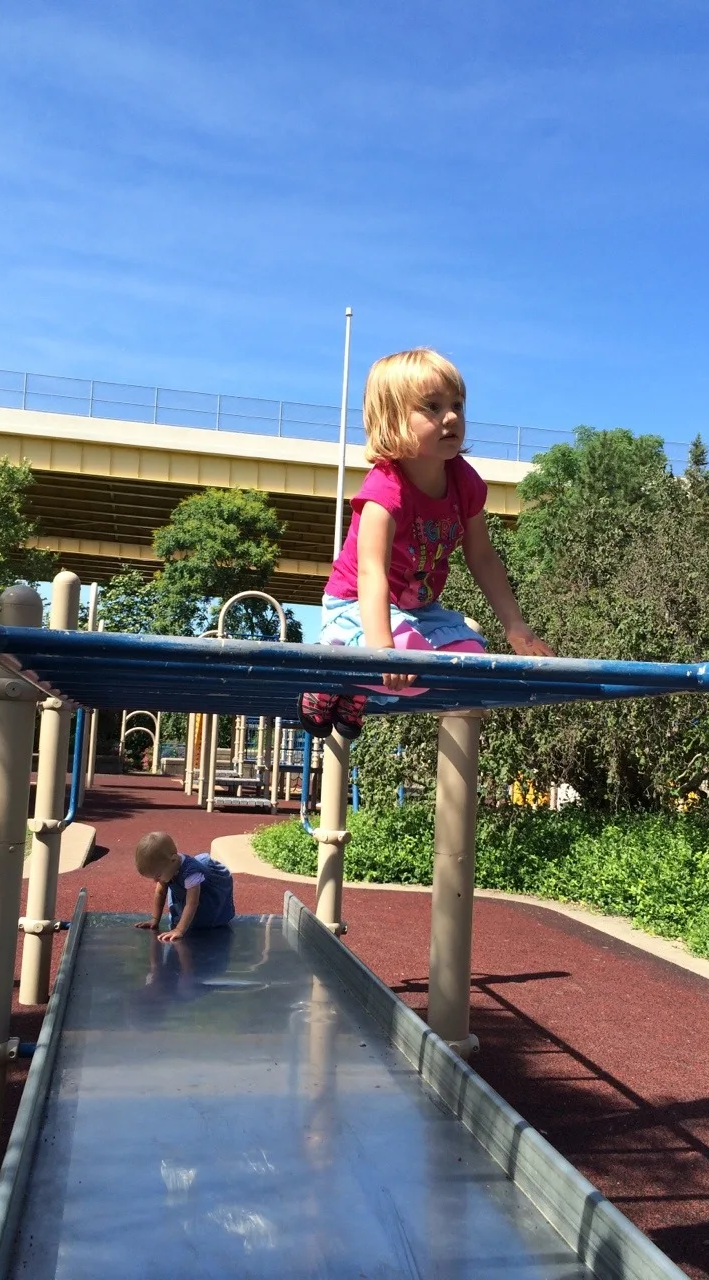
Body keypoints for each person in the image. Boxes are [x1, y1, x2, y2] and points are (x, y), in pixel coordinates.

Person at [298, 347, 553, 740]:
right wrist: (383, 648)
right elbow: (371, 573)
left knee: (467, 663)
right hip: (356, 605)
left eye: (458, 405)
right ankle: (337, 670)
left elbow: (482, 556)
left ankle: (361, 685)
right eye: (432, 407)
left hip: (420, 611)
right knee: (408, 661)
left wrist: (515, 626)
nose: (451, 417)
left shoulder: (464, 482)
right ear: (392, 420)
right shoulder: (385, 490)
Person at [134, 831, 235, 941]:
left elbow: (192, 903)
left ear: (173, 860)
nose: (155, 881)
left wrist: (179, 929)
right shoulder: (167, 866)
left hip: (205, 899)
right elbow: (160, 892)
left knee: (202, 920)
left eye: (158, 876)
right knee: (174, 890)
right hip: (184, 890)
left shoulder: (191, 873)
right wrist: (155, 919)